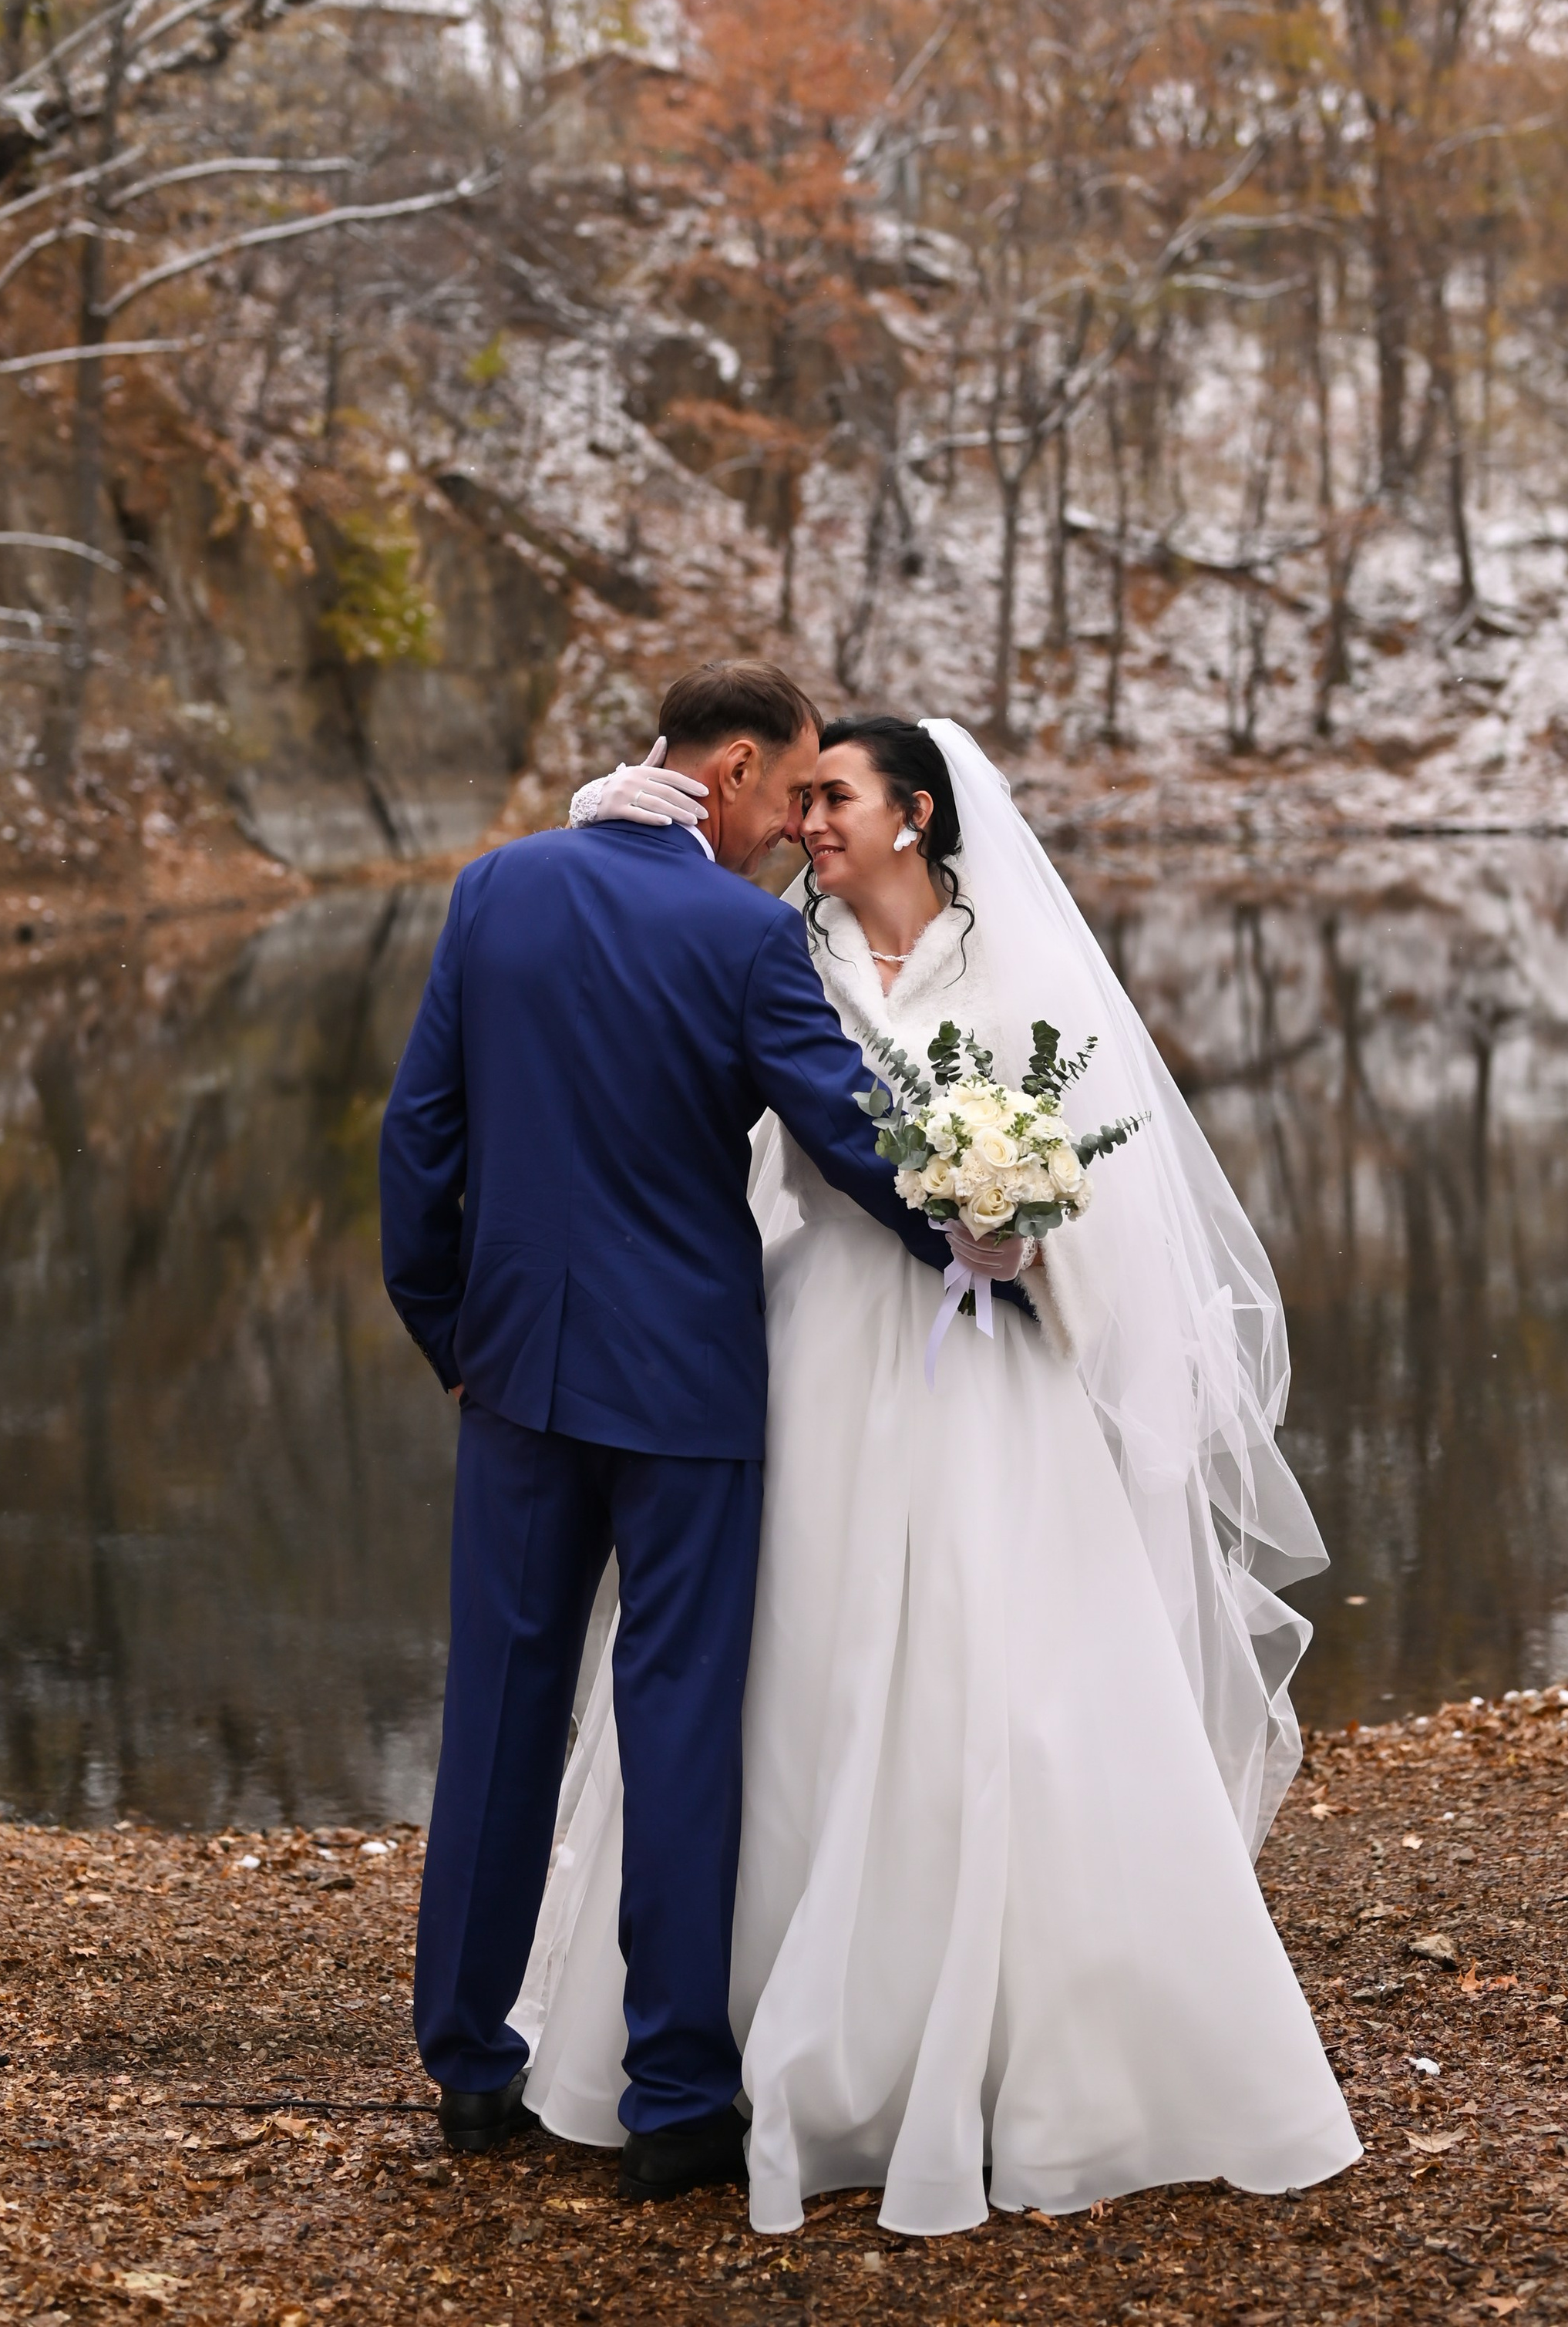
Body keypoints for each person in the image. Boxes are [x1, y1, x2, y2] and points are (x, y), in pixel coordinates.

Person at [519, 712, 1361, 2233]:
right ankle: (715, 2051)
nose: (803, 819)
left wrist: (1019, 1218)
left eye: (833, 794)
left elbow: (1108, 1194)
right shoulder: (776, 950)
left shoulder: (1023, 975)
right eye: (800, 793)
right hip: (813, 1349)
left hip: (988, 1366)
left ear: (914, 813)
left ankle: (1048, 2058)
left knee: (1006, 1677)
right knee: (785, 1674)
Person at [376, 665, 1025, 2204]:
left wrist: (446, 1333)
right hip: (684, 1391)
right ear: (728, 768)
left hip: (517, 1374)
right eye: (789, 791)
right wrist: (985, 1240)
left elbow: (420, 1137)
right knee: (675, 1716)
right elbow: (842, 1130)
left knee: (502, 1713)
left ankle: (469, 2063)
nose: (793, 828)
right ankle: (673, 2095)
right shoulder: (743, 935)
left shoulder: (494, 890)